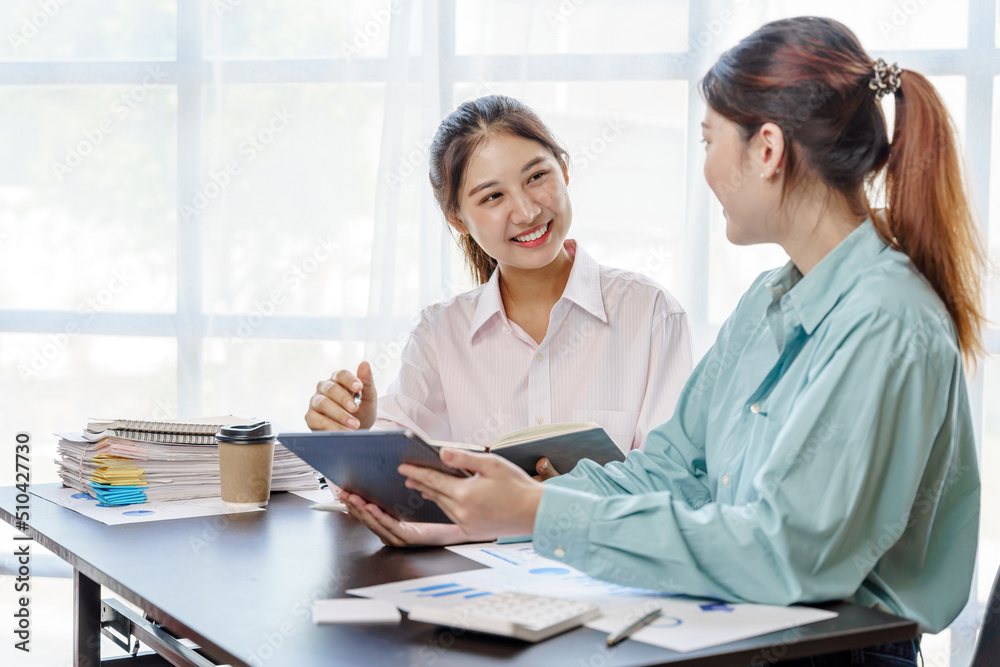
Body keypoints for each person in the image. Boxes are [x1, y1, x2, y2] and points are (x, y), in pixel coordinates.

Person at [346, 17, 984, 666]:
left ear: (766, 150)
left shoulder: (886, 320)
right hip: (747, 630)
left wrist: (538, 513)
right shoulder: (770, 302)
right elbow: (674, 470)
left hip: (832, 650)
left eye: (710, 140)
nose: (703, 167)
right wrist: (513, 503)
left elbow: (787, 554)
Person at [306, 95, 693, 541]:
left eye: (537, 177)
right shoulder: (439, 334)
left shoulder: (651, 314)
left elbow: (673, 486)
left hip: (614, 575)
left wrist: (541, 505)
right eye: (492, 196)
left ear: (564, 172)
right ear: (459, 220)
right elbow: (385, 491)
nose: (527, 211)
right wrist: (357, 433)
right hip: (471, 582)